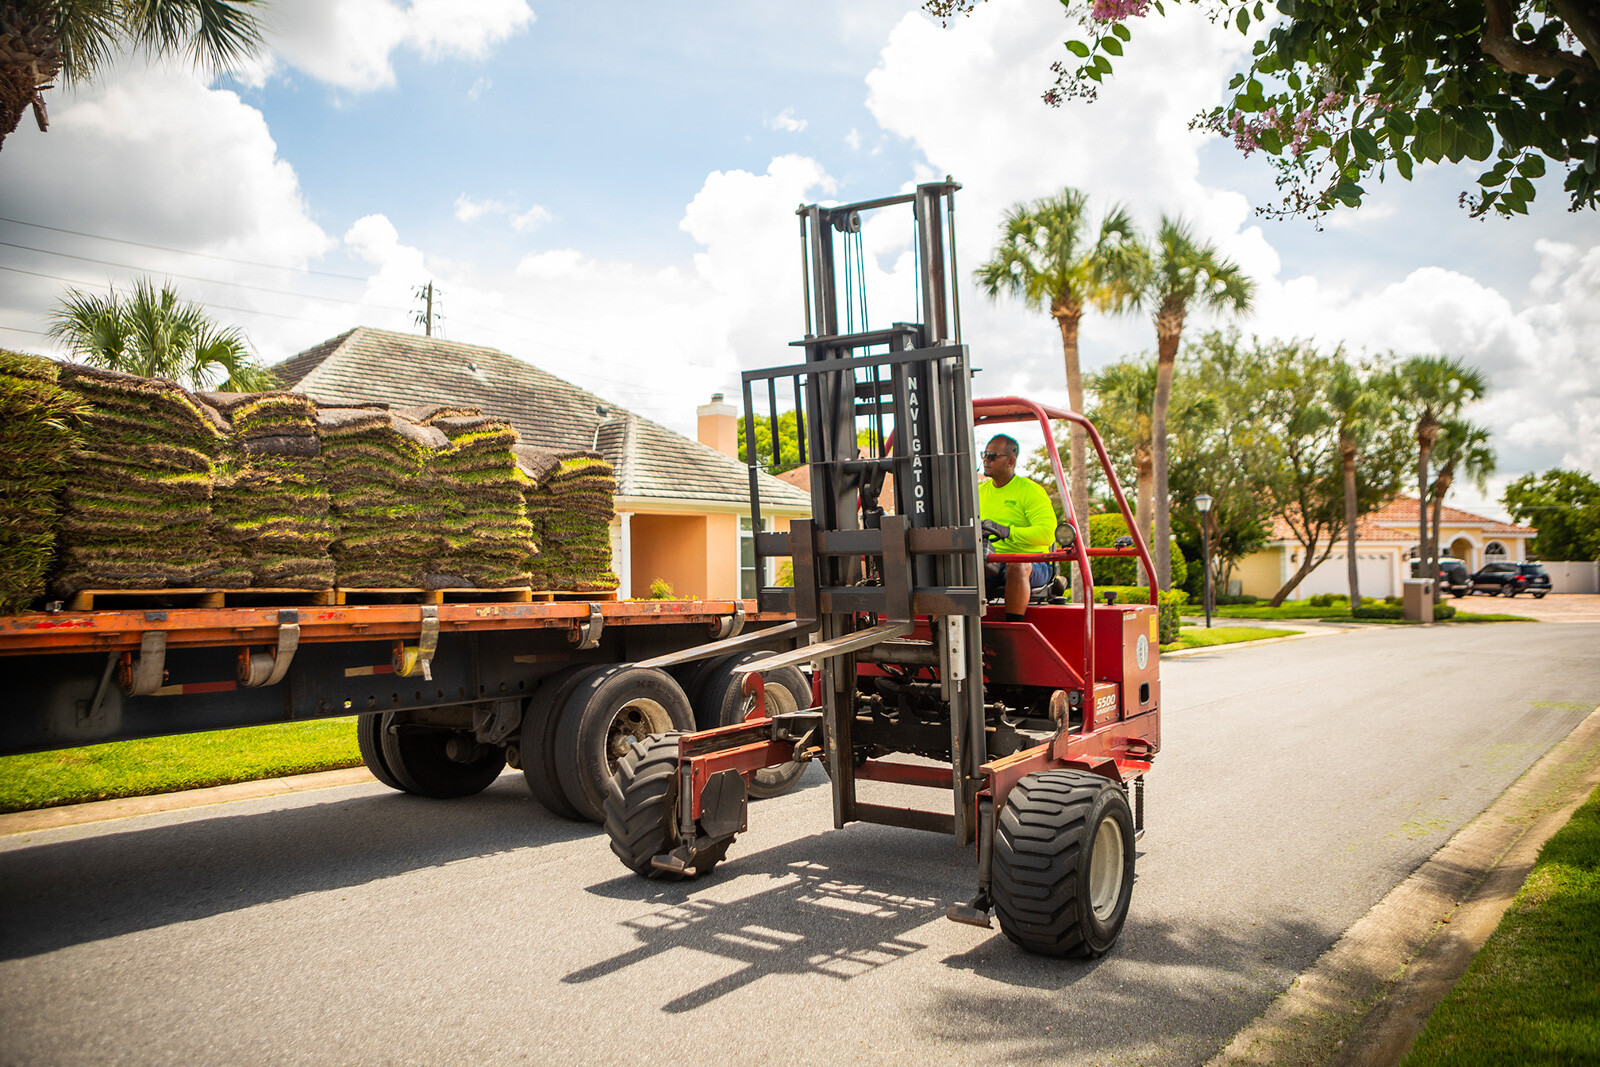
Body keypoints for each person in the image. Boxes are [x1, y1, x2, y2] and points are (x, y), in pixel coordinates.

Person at [978, 434, 1058, 621]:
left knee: (1017, 565)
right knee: (953, 567)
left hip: (1033, 564)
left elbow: (1047, 534)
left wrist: (1008, 531)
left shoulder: (1030, 491)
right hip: (990, 561)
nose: (985, 460)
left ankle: (1013, 627)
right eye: (984, 454)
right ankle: (956, 628)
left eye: (992, 456)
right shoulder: (978, 492)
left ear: (1010, 461)